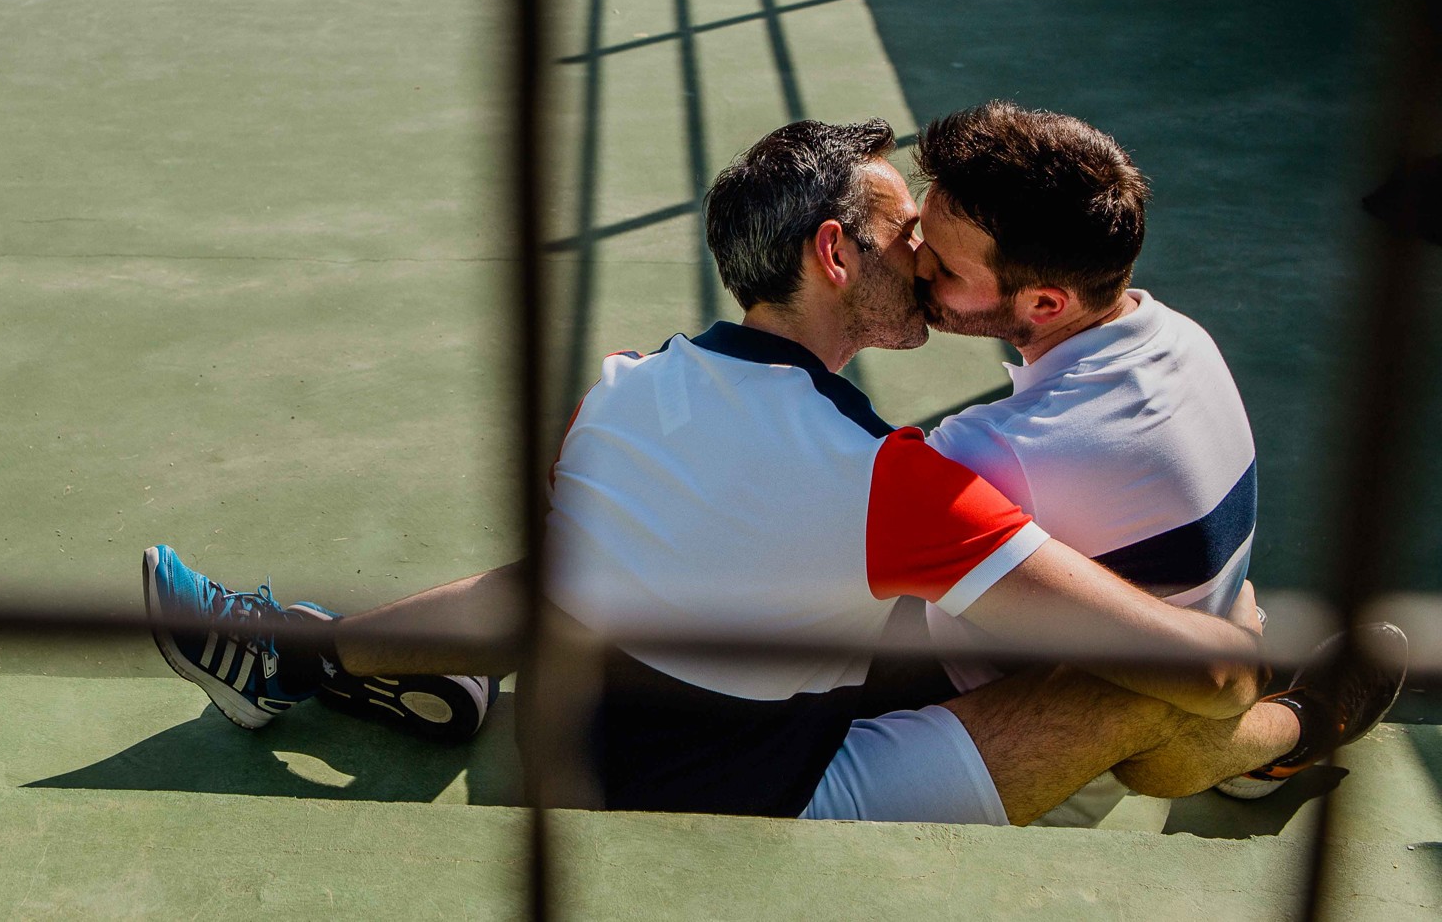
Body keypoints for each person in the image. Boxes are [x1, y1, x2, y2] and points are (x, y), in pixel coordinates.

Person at [143, 115, 1406, 825]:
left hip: (573, 730)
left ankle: (327, 657)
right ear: (834, 255)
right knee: (1124, 694)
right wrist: (1229, 624)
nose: (917, 249)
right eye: (900, 231)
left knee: (596, 568)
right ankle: (1297, 734)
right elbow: (1205, 664)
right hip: (747, 808)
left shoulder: (619, 390)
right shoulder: (895, 484)